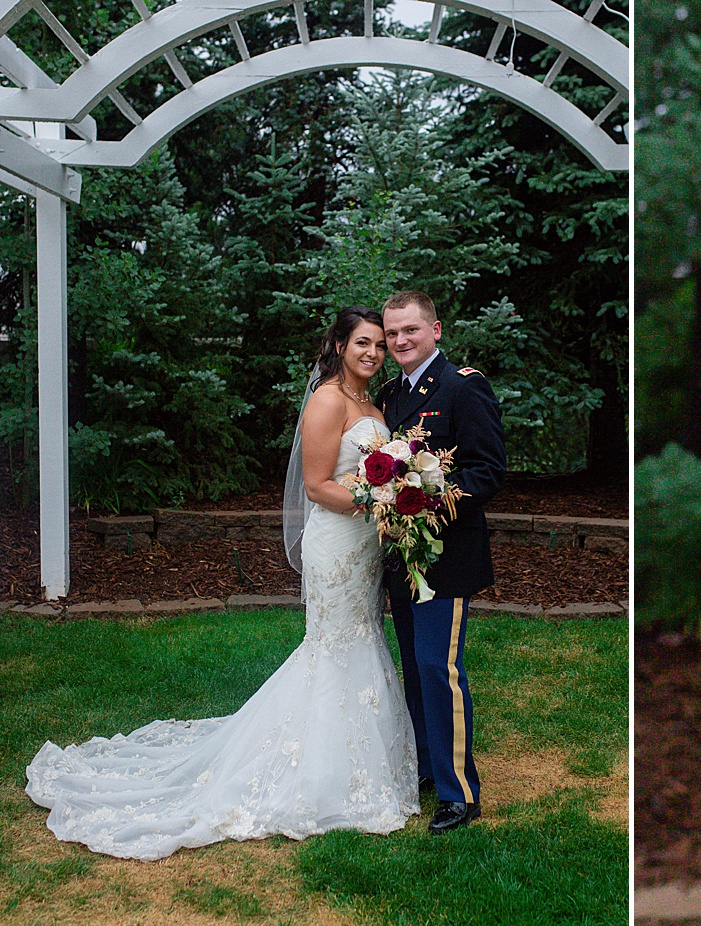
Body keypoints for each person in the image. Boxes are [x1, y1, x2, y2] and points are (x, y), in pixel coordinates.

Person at [25, 307, 419, 860]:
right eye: (363, 342)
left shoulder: (371, 404)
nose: (374, 352)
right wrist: (378, 496)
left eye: (380, 344)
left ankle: (359, 764)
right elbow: (315, 486)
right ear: (338, 344)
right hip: (336, 544)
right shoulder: (329, 400)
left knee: (361, 639)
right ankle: (323, 773)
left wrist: (393, 494)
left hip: (364, 549)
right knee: (332, 647)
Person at [377, 289, 505, 833]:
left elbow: (487, 470)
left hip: (446, 555)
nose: (401, 340)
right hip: (401, 555)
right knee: (414, 668)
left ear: (436, 331)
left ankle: (460, 793)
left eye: (411, 330)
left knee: (438, 668)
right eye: (392, 334)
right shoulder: (388, 394)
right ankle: (427, 768)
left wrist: (431, 496)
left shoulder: (462, 387)